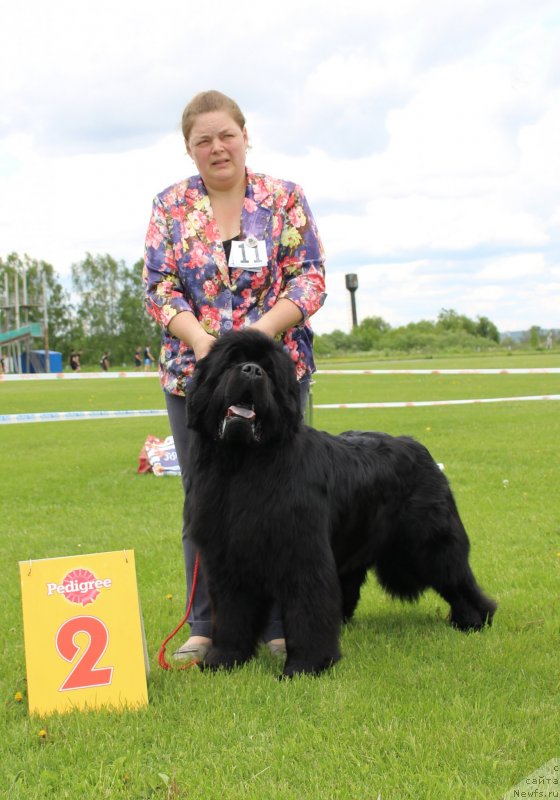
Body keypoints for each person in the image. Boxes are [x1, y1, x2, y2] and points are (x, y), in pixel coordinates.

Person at [143, 90, 326, 662]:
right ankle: (206, 624)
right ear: (189, 149)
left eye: (226, 135)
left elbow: (310, 278)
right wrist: (203, 343)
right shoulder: (170, 206)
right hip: (197, 377)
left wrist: (257, 340)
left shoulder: (285, 200)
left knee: (284, 501)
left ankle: (278, 624)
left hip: (276, 374)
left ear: (246, 136)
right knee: (205, 500)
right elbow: (159, 287)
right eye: (204, 140)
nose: (217, 147)